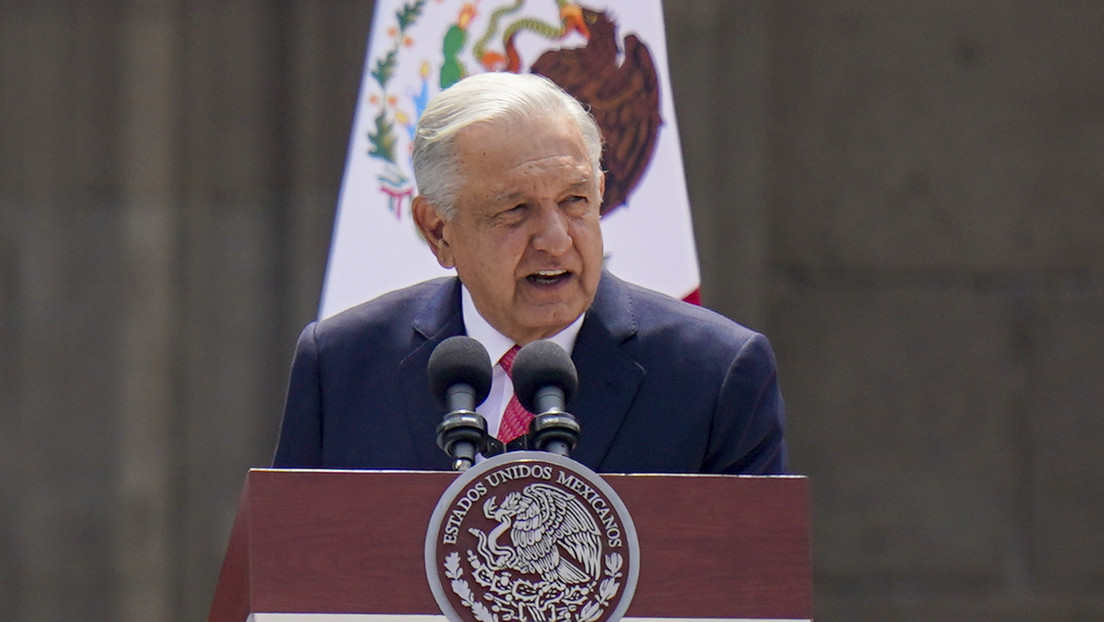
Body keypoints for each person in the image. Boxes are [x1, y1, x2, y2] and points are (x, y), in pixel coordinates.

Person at [273, 72, 786, 474]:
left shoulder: (715, 376)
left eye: (575, 201)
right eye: (515, 210)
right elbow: (286, 583)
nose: (557, 239)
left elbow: (748, 595)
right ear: (438, 230)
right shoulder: (341, 366)